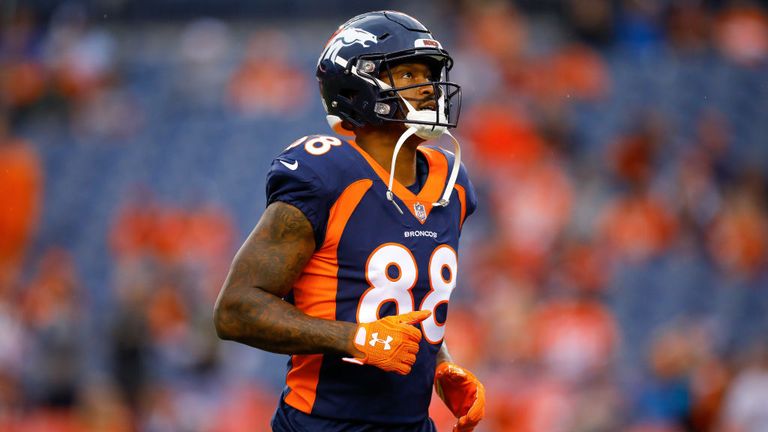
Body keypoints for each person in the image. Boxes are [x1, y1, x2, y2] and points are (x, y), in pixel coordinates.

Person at [214, 10, 485, 432]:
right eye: (409, 74)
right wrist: (353, 339)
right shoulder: (328, 175)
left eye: (429, 75)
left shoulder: (453, 182)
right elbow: (235, 310)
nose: (430, 89)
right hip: (323, 424)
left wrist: (440, 363)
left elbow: (400, 301)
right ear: (358, 84)